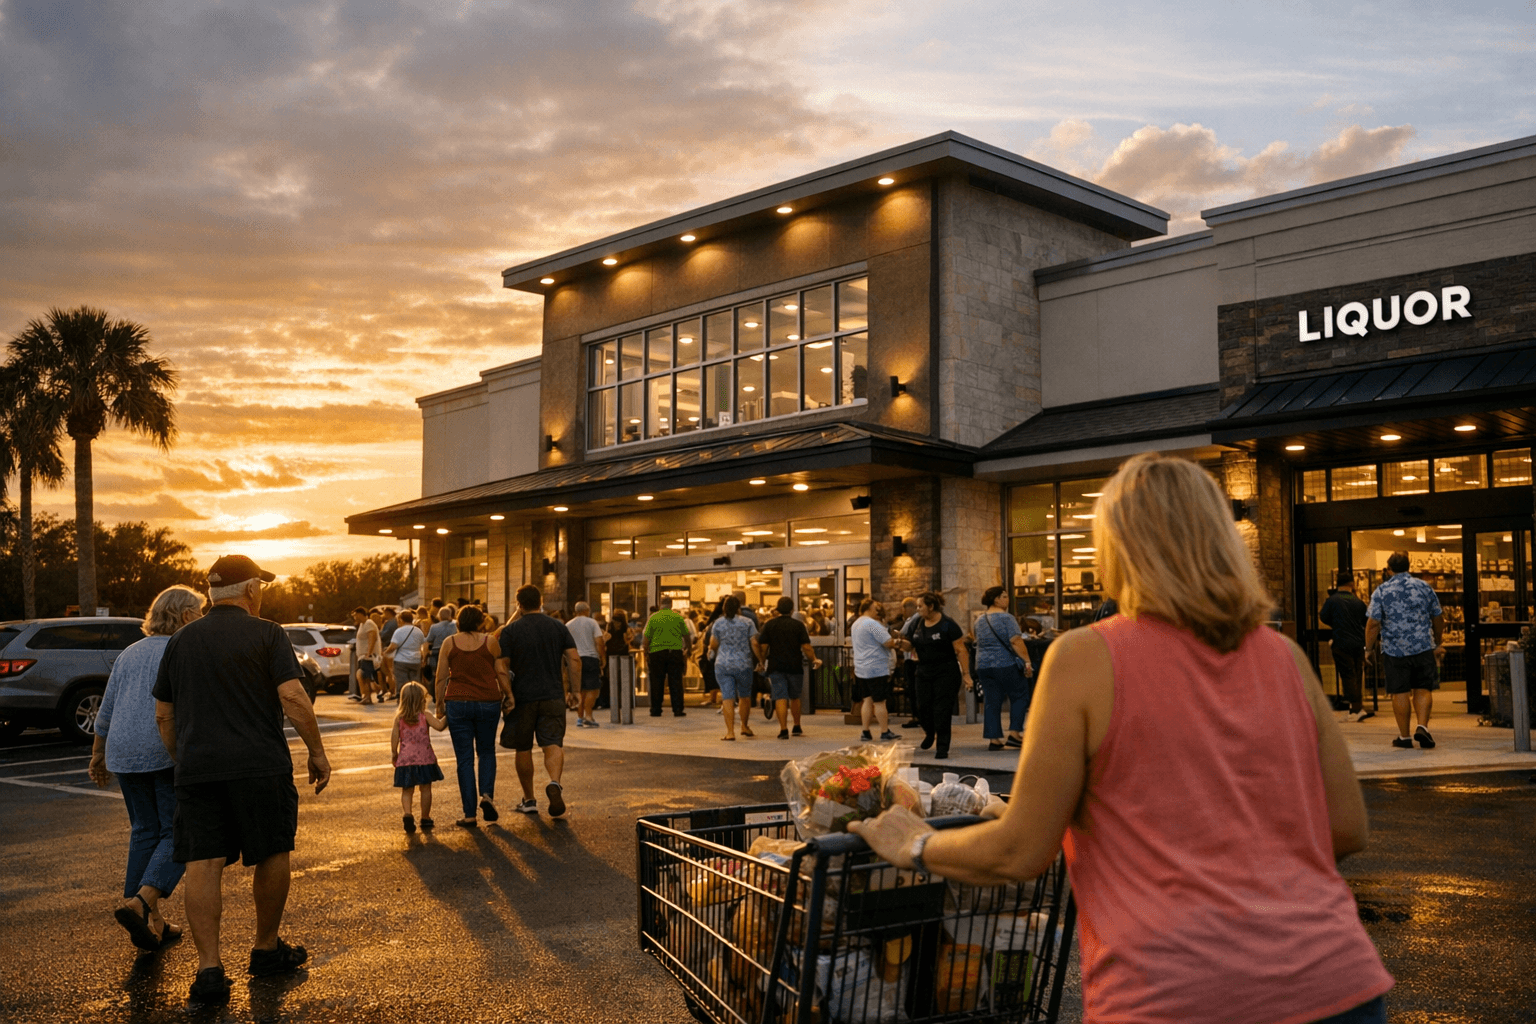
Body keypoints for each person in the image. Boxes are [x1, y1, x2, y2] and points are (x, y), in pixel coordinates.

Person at [849, 453, 1392, 1024]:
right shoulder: (1285, 657)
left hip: (1176, 991)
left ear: (1116, 550)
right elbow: (1346, 827)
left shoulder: (1086, 657)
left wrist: (915, 843)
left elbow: (1020, 850)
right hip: (1336, 982)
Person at [152, 555, 331, 1006]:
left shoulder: (180, 640)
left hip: (198, 768)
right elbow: (293, 696)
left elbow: (163, 715)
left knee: (202, 862)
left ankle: (209, 969)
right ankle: (265, 949)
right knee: (271, 850)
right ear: (251, 589)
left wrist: (182, 758)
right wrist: (317, 752)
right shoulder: (268, 633)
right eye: (261, 586)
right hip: (260, 766)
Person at [89, 584, 204, 952]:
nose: (202, 618)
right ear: (186, 615)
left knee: (143, 830)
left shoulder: (130, 652)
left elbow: (106, 708)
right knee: (179, 831)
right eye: (199, 611)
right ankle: (140, 903)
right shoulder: (183, 649)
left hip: (123, 751)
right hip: (162, 750)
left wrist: (98, 754)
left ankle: (152, 921)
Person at [497, 585, 581, 817]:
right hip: (553, 695)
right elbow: (574, 659)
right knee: (552, 743)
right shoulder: (558, 626)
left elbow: (501, 665)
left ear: (519, 604)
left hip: (522, 697)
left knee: (523, 747)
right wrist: (575, 690)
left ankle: (529, 799)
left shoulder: (511, 630)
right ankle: (554, 783)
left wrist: (508, 694)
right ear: (540, 601)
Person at [434, 605, 510, 828]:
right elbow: (501, 671)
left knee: (464, 759)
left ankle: (469, 814)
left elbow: (441, 677)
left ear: (459, 621)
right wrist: (509, 694)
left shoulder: (449, 643)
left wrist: (439, 703)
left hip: (457, 702)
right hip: (488, 701)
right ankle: (486, 795)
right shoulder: (490, 642)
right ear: (479, 622)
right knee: (486, 751)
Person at [1366, 551, 1444, 750]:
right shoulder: (1424, 587)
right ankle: (1422, 727)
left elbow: (1373, 623)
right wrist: (1437, 640)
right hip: (1423, 647)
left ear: (1389, 569)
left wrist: (1368, 648)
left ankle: (1405, 736)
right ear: (1408, 567)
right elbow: (1438, 616)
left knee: (1399, 691)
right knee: (1423, 688)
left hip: (1395, 650)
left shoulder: (1382, 591)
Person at [897, 592, 971, 759]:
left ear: (931, 606)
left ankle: (942, 747)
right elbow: (909, 646)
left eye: (920, 606)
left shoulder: (948, 624)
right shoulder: (917, 623)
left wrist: (966, 674)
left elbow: (961, 650)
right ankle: (930, 732)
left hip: (946, 671)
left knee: (941, 710)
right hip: (924, 670)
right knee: (922, 707)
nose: (917, 609)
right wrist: (900, 643)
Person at [974, 585, 1035, 751]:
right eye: (1005, 596)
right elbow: (1016, 641)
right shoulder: (1007, 618)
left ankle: (994, 739)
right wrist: (1027, 661)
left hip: (983, 665)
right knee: (1020, 695)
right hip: (1005, 663)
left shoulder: (979, 620)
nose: (1007, 599)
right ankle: (1014, 734)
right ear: (996, 600)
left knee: (991, 700)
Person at [759, 596, 821, 740]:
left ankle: (783, 730)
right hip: (794, 665)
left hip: (775, 666)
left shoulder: (769, 624)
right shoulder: (798, 625)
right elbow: (806, 646)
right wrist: (814, 659)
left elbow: (763, 646)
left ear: (777, 609)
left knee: (780, 697)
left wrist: (761, 661)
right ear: (792, 610)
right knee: (795, 697)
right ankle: (797, 726)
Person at [390, 681, 445, 834]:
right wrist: (448, 714)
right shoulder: (425, 716)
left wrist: (394, 753)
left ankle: (408, 814)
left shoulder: (399, 718)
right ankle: (425, 817)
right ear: (422, 699)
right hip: (425, 759)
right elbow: (440, 726)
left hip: (405, 760)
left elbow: (394, 738)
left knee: (407, 790)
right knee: (425, 789)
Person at [1321, 570, 1373, 723]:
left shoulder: (1332, 601)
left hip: (1341, 642)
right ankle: (1357, 707)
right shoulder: (1358, 602)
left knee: (1347, 675)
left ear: (1338, 584)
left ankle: (1356, 709)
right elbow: (1366, 622)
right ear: (1352, 584)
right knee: (1357, 674)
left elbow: (1323, 617)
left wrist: (1336, 624)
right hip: (1358, 643)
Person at [708, 596, 758, 741]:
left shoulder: (718, 623)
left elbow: (713, 644)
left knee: (727, 697)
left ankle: (730, 732)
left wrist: (712, 651)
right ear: (738, 608)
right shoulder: (747, 622)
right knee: (744, 696)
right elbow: (755, 643)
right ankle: (744, 726)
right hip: (743, 664)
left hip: (723, 664)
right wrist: (760, 659)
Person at [850, 597, 900, 742]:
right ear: (868, 608)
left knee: (867, 700)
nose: (877, 610)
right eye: (875, 608)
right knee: (880, 702)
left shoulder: (856, 624)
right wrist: (897, 641)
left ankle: (865, 732)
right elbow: (888, 642)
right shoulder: (871, 624)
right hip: (876, 667)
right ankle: (884, 731)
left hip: (861, 668)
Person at [642, 596, 690, 718]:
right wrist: (688, 649)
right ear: (671, 605)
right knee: (676, 681)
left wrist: (646, 651)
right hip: (675, 652)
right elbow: (686, 635)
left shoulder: (653, 618)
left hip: (657, 653)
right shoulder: (678, 617)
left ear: (660, 604)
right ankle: (678, 709)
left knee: (656, 682)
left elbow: (646, 638)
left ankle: (656, 709)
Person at [565, 601, 607, 728]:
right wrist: (602, 657)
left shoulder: (568, 625)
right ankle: (588, 716)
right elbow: (599, 641)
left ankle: (579, 717)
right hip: (590, 658)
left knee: (578, 689)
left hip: (574, 659)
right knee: (592, 689)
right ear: (586, 611)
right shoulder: (592, 622)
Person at [384, 610, 427, 687]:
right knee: (415, 684)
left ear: (401, 619)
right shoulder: (419, 631)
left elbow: (393, 647)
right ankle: (415, 694)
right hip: (416, 661)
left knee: (402, 684)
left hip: (401, 662)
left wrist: (385, 652)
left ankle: (402, 694)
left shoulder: (399, 631)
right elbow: (423, 645)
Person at [897, 596, 921, 728]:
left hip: (913, 659)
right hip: (910, 658)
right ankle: (916, 715)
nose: (902, 611)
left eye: (903, 608)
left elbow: (903, 633)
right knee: (912, 689)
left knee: (913, 689)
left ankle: (917, 716)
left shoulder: (915, 618)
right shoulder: (911, 619)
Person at [352, 606, 382, 704]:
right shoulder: (362, 624)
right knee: (365, 676)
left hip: (369, 656)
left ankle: (368, 696)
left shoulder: (369, 623)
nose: (354, 617)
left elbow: (372, 638)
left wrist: (369, 653)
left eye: (355, 615)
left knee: (364, 675)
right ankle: (373, 693)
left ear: (360, 614)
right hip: (363, 656)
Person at [424, 606, 458, 685]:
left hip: (436, 653)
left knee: (436, 674)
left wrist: (425, 656)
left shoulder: (434, 627)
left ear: (439, 615)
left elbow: (428, 640)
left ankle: (435, 690)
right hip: (451, 651)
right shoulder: (455, 625)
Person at [379, 607, 399, 696]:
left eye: (384, 613)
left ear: (388, 613)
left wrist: (380, 631)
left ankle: (392, 690)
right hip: (393, 648)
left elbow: (383, 635)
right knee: (390, 671)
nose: (383, 615)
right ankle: (392, 690)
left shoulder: (390, 623)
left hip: (389, 648)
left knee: (389, 671)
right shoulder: (395, 621)